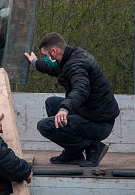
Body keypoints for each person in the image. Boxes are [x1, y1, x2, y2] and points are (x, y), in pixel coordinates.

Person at [24, 32, 119, 167]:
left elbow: (81, 89)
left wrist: (65, 108)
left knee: (45, 126)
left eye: (46, 56)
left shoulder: (77, 65)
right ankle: (73, 152)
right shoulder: (70, 57)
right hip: (91, 113)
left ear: (54, 51)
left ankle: (94, 147)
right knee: (51, 103)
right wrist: (34, 62)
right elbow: (54, 68)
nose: (45, 59)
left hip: (98, 123)